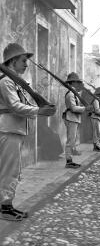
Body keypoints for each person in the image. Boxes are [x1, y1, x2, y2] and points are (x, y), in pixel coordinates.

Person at [0, 43, 56, 221]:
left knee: (13, 170)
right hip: (8, 129)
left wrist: (40, 109)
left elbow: (22, 105)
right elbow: (15, 106)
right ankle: (5, 208)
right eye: (23, 60)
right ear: (13, 60)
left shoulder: (16, 82)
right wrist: (39, 111)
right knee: (9, 171)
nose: (26, 64)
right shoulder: (6, 81)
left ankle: (6, 204)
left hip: (15, 130)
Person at [63, 72, 92, 169]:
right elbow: (73, 108)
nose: (77, 84)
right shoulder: (70, 94)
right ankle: (68, 160)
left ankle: (70, 159)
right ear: (72, 83)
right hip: (71, 117)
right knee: (70, 141)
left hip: (74, 118)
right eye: (76, 82)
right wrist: (85, 108)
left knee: (72, 140)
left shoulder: (74, 94)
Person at [90, 87, 100, 152]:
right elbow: (97, 110)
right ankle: (95, 146)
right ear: (99, 94)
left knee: (98, 132)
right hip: (95, 117)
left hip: (98, 117)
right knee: (96, 133)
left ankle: (97, 145)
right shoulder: (96, 100)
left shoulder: (98, 100)